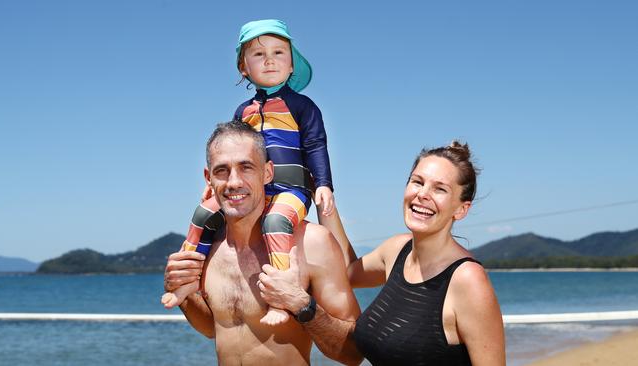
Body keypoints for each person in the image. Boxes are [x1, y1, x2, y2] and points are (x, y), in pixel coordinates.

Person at [262, 141, 505, 365]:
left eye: (440, 189)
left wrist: (303, 304)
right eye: (417, 181)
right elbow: (346, 271)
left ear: (461, 210)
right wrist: (322, 195)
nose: (422, 194)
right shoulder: (397, 249)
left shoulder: (468, 279)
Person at [162, 19, 339, 326]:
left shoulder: (303, 106)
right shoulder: (242, 112)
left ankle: (282, 295)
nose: (270, 60)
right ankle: (189, 280)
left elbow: (315, 144)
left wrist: (323, 183)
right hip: (251, 191)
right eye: (258, 54)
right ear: (243, 67)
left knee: (276, 221)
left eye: (279, 52)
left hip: (291, 190)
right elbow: (231, 150)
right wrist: (211, 190)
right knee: (203, 214)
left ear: (292, 64)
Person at [163, 120, 362, 365]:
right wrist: (183, 292)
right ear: (208, 178)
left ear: (267, 173)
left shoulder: (312, 244)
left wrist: (302, 306)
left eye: (246, 167)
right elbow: (212, 328)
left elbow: (353, 353)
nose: (234, 182)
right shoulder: (208, 248)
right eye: (221, 170)